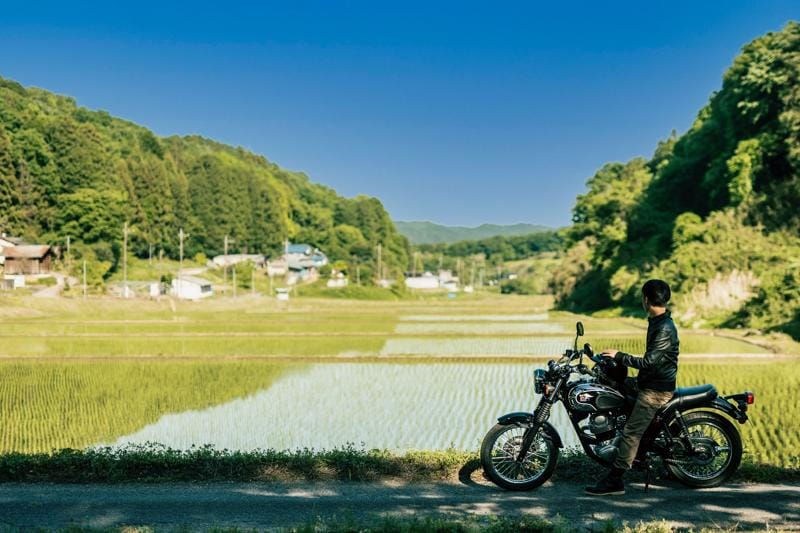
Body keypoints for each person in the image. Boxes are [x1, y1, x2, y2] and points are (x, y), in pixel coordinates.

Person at [585, 279, 679, 496]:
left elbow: (649, 362)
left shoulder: (664, 327)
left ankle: (615, 480)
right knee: (611, 387)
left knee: (631, 432)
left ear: (645, 299)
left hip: (656, 389)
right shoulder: (658, 321)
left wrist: (620, 356)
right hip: (648, 381)